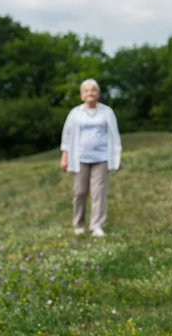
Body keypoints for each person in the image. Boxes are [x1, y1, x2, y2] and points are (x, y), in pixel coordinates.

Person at [60, 79, 122, 238]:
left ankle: (96, 225)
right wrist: (64, 156)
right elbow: (67, 135)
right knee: (79, 192)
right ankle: (79, 224)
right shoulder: (75, 113)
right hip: (80, 157)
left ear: (98, 94)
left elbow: (115, 135)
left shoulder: (107, 112)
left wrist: (117, 156)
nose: (90, 93)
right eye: (86, 91)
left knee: (98, 192)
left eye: (93, 90)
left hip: (101, 157)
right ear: (82, 95)